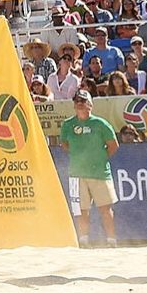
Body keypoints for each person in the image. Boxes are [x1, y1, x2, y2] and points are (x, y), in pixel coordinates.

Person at [59, 91, 119, 248]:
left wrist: (99, 158)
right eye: (76, 101)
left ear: (90, 104)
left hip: (99, 173)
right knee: (81, 210)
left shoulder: (101, 124)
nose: (79, 103)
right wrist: (79, 157)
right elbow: (64, 144)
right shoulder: (68, 124)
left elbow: (113, 145)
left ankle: (111, 241)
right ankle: (84, 241)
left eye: (83, 100)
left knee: (105, 209)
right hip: (77, 173)